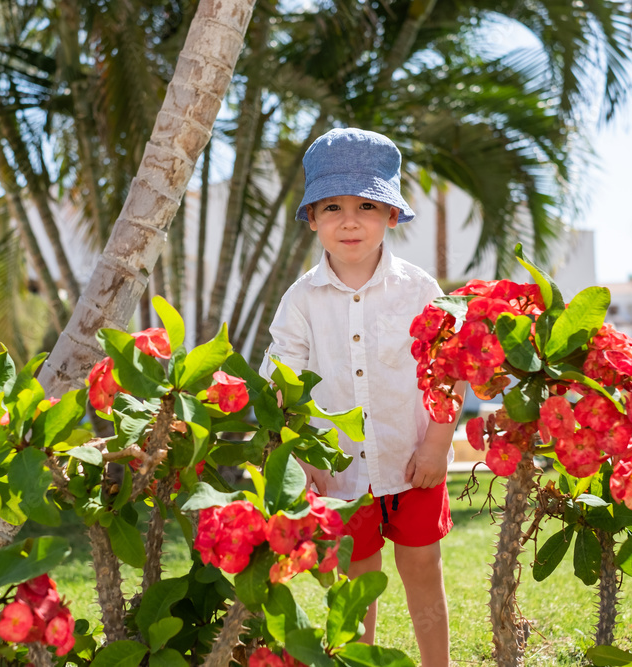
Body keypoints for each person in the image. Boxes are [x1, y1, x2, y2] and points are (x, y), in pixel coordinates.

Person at [259, 127, 465, 667]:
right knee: (355, 586)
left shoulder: (420, 290)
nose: (350, 220)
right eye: (333, 206)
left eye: (367, 205)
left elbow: (448, 371)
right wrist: (302, 462)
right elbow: (282, 386)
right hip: (340, 475)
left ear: (392, 215)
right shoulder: (300, 301)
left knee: (423, 572)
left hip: (413, 459)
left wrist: (439, 447)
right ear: (311, 218)